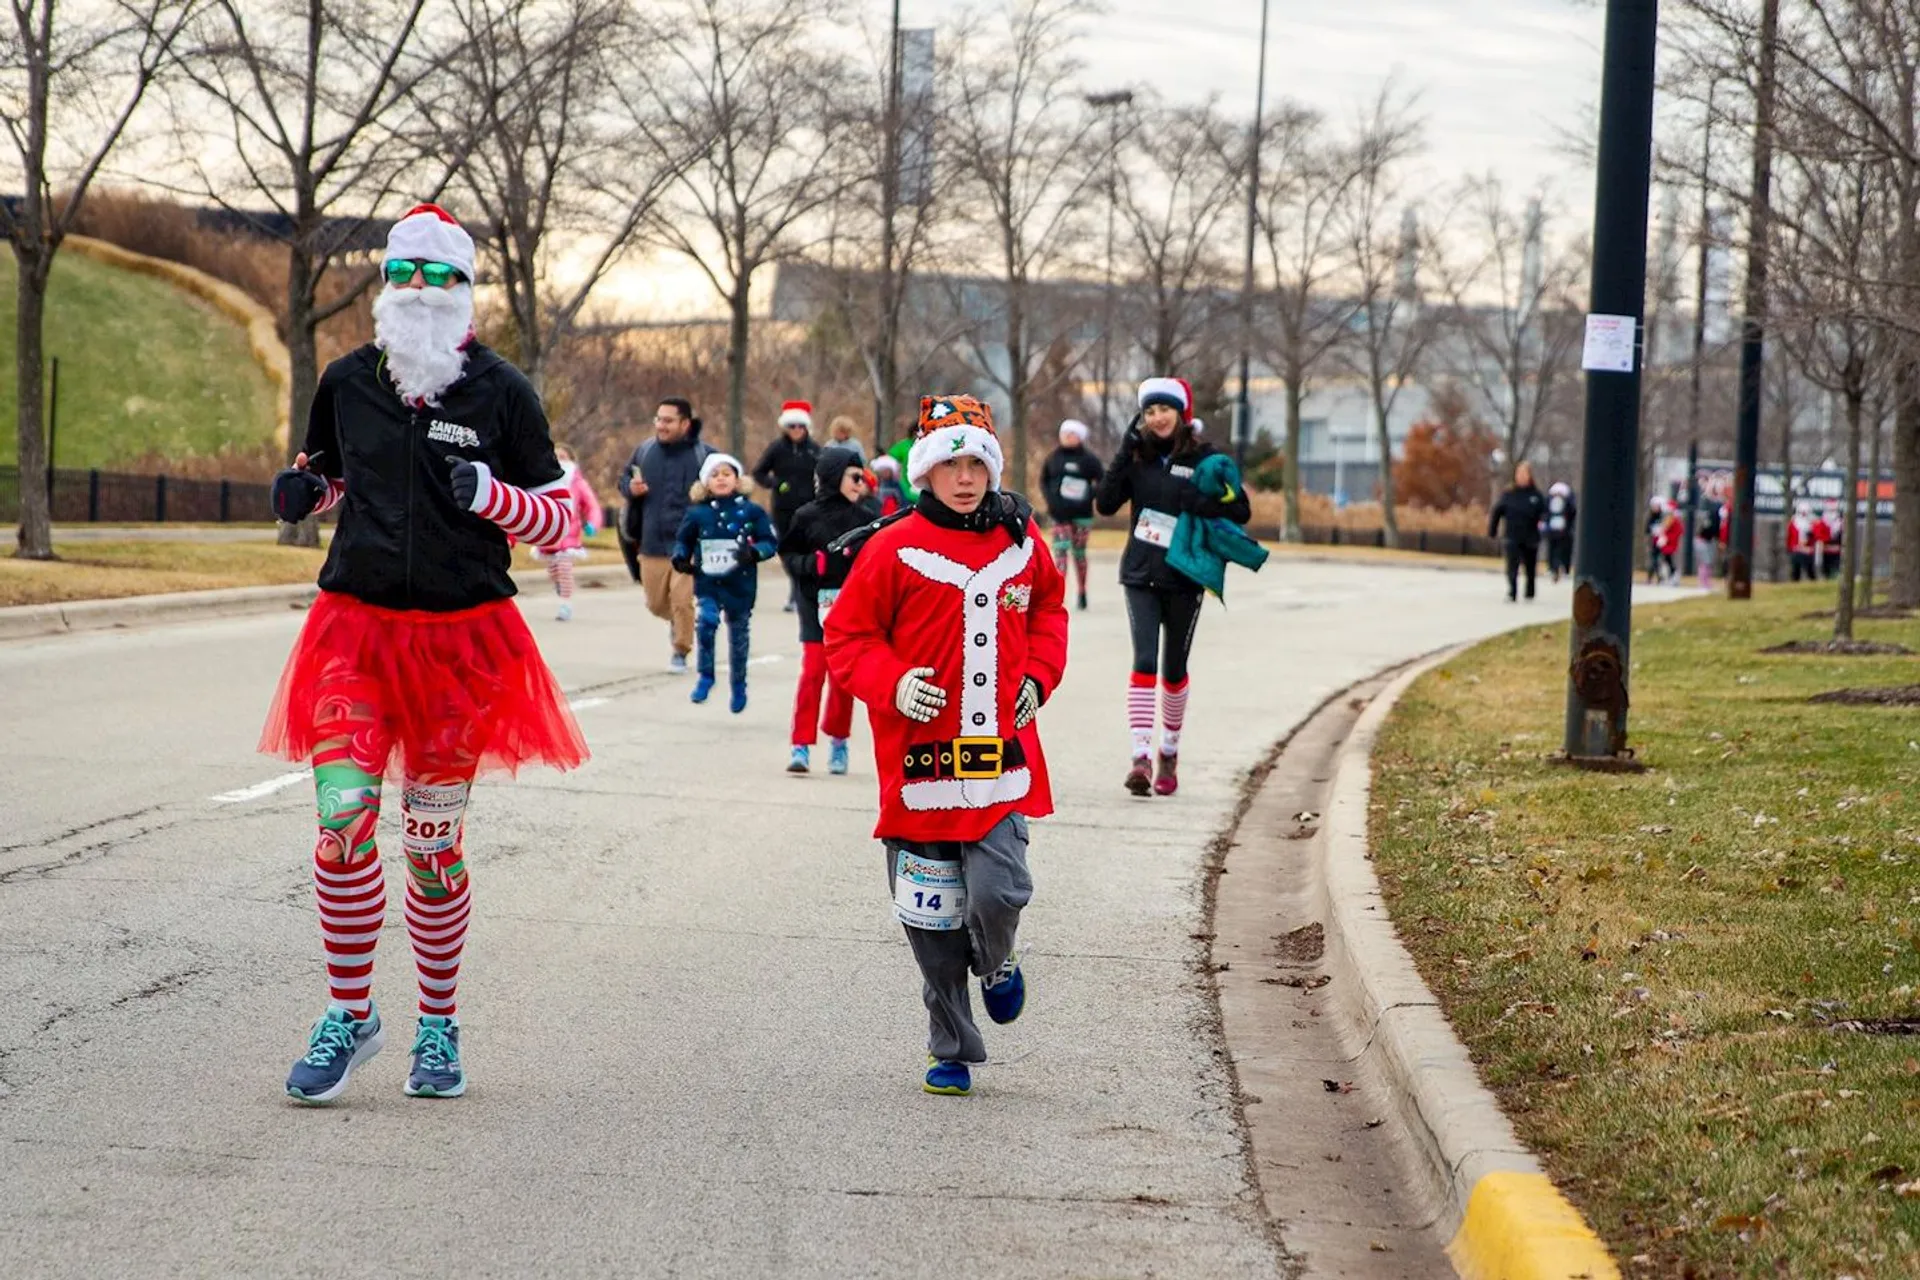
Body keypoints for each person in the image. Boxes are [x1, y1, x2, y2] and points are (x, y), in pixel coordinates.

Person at [261, 202, 588, 1104]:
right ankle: (350, 1013)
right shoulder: (347, 379)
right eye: (404, 273)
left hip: (461, 642)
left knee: (433, 851)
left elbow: (564, 518)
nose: (419, 290)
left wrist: (494, 495)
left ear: (466, 292)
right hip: (355, 630)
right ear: (384, 284)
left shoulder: (503, 393)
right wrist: (306, 490)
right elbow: (329, 471)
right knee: (340, 829)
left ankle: (437, 1027)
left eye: (439, 276)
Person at [824, 393, 1069, 1097]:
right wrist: (894, 684)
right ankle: (951, 1048)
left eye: (977, 463)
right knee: (930, 923)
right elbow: (848, 637)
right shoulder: (890, 549)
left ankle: (997, 960)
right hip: (917, 766)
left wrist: (1039, 676)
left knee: (1001, 889)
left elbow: (1049, 612)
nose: (965, 477)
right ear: (926, 471)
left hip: (1000, 763)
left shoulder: (1022, 545)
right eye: (950, 463)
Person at [1094, 376, 1251, 798]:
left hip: (1185, 576)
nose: (1157, 417)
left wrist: (1200, 503)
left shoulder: (1204, 458)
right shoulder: (1138, 455)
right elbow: (1105, 503)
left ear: (1181, 413)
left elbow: (1241, 508)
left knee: (1174, 671)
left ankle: (1169, 751)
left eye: (1164, 409)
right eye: (1149, 411)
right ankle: (1140, 758)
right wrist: (1124, 452)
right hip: (1139, 574)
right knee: (1144, 660)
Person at [780, 446, 879, 774]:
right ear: (835, 477)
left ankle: (838, 742)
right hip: (814, 604)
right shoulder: (806, 516)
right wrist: (812, 563)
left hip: (850, 610)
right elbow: (789, 554)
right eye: (854, 476)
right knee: (813, 673)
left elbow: (877, 563)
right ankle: (800, 745)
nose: (860, 483)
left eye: (862, 477)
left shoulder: (866, 520)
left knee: (842, 679)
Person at [671, 454, 777, 712]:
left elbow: (769, 541)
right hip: (708, 582)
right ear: (706, 482)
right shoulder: (698, 513)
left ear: (738, 480)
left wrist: (754, 552)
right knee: (707, 623)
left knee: (739, 637)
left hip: (740, 584)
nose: (721, 479)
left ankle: (739, 685)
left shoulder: (751, 511)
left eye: (727, 474)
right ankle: (706, 676)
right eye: (715, 474)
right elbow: (683, 540)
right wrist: (681, 557)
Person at [619, 398, 712, 671]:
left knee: (682, 600)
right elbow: (624, 478)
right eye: (658, 419)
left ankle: (680, 651)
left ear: (685, 423)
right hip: (652, 541)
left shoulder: (704, 455)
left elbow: (726, 482)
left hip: (689, 544)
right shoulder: (645, 451)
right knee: (656, 604)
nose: (661, 425)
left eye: (668, 421)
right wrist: (630, 488)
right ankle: (680, 621)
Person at [753, 400, 822, 612]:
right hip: (783, 508)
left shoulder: (814, 450)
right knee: (786, 549)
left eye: (800, 426)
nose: (796, 431)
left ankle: (801, 591)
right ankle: (795, 587)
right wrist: (776, 483)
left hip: (809, 508)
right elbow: (759, 473)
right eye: (792, 426)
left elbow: (826, 474)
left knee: (806, 549)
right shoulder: (777, 448)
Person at [533, 443, 604, 621]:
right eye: (556, 457)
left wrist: (593, 525)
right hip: (548, 535)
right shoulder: (543, 480)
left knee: (564, 568)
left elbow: (591, 505)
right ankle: (559, 584)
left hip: (569, 535)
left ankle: (565, 604)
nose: (559, 461)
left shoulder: (578, 483)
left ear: (572, 461)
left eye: (563, 457)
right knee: (554, 570)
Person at [1040, 418, 1104, 611]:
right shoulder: (1053, 458)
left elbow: (1102, 481)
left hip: (1082, 514)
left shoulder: (1089, 460)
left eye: (1072, 434)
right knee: (1060, 553)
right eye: (1065, 434)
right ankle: (1059, 595)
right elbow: (1044, 481)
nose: (1068, 437)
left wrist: (1089, 495)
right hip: (1059, 513)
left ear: (1080, 437)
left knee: (1079, 554)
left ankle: (1082, 591)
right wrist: (1051, 500)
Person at [1488, 462, 1548, 603]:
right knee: (1512, 566)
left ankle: (1529, 592)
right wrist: (1493, 530)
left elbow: (1545, 513)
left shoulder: (1536, 496)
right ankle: (1512, 592)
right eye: (1518, 474)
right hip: (1512, 535)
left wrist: (1543, 524)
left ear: (1529, 476)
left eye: (1524, 474)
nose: (1521, 477)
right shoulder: (1509, 494)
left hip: (1530, 536)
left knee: (1530, 566)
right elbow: (1497, 511)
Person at [1543, 481, 1576, 583]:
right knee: (1552, 550)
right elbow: (1545, 514)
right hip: (1552, 530)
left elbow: (1572, 513)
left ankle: (1565, 568)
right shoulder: (1549, 502)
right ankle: (1553, 568)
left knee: (1564, 551)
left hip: (1564, 530)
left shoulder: (1568, 504)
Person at [1787, 500, 1818, 581]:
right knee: (1795, 571)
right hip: (1796, 551)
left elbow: (1815, 538)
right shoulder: (1793, 523)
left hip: (1808, 551)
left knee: (1810, 571)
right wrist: (1790, 548)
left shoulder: (1813, 523)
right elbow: (1790, 538)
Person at [1818, 502, 1842, 579]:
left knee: (1836, 568)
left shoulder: (1840, 522)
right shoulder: (1823, 522)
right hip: (1826, 551)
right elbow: (1820, 537)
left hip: (1837, 551)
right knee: (1826, 570)